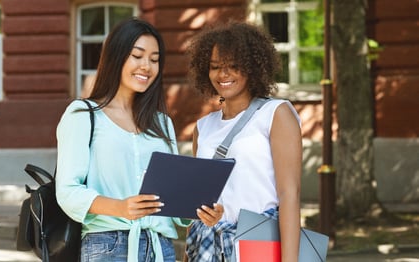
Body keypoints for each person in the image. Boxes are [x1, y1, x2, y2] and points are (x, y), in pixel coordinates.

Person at [55, 17, 195, 262]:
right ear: (116, 56)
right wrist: (120, 208)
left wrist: (199, 210)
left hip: (162, 247)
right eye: (137, 55)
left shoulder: (162, 123)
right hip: (108, 247)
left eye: (154, 60)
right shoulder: (83, 115)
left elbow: (173, 200)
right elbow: (67, 191)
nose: (146, 66)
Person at [184, 21, 302, 262]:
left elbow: (289, 194)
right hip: (207, 248)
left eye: (233, 66)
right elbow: (199, 205)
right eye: (215, 66)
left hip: (258, 245)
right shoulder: (203, 127)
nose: (223, 74)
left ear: (252, 67)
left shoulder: (276, 114)